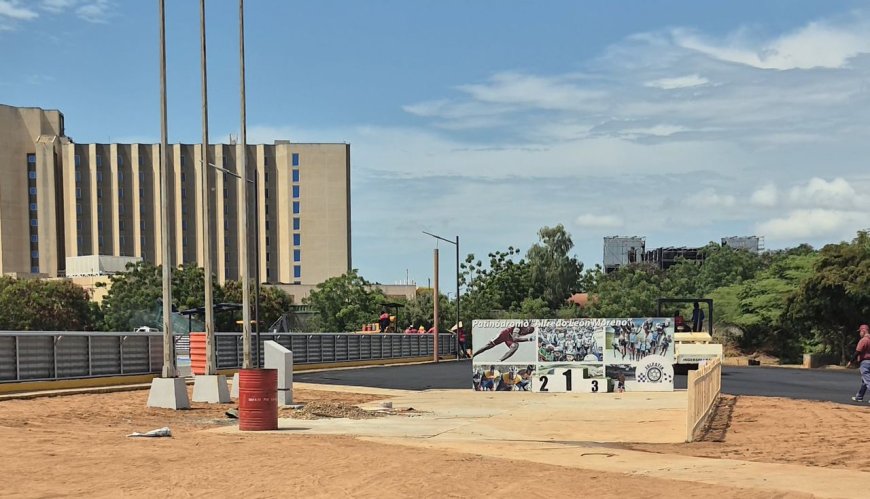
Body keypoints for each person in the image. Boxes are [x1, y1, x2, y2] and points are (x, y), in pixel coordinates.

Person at [472, 325, 536, 361]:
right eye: (528, 329)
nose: (527, 331)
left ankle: (499, 360)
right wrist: (528, 339)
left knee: (515, 346)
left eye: (529, 332)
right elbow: (515, 338)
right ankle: (473, 355)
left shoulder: (526, 332)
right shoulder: (519, 326)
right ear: (527, 326)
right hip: (504, 334)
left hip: (510, 339)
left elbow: (514, 339)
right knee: (488, 346)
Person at [850, 324, 870, 403]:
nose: (859, 333)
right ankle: (859, 396)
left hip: (865, 363)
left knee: (867, 380)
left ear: (863, 331)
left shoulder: (864, 340)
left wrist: (851, 361)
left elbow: (857, 352)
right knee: (864, 381)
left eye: (860, 332)